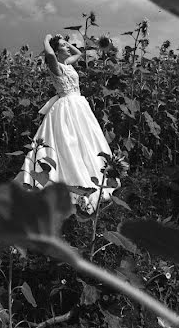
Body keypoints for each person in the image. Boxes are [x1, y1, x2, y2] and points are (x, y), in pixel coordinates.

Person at [15, 33, 117, 213]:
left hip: (78, 105)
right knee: (68, 143)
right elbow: (50, 55)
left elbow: (79, 53)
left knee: (86, 141)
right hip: (67, 107)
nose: (68, 47)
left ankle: (95, 178)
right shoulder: (55, 66)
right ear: (55, 50)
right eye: (63, 46)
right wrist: (46, 40)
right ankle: (71, 185)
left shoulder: (67, 64)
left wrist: (65, 42)